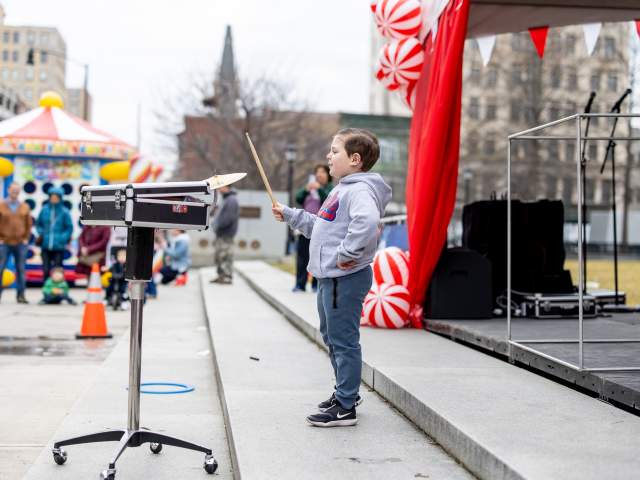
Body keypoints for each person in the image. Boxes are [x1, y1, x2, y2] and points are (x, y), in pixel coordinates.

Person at [272, 128, 391, 427]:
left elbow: (367, 222)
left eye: (334, 151)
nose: (328, 156)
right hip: (332, 278)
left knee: (344, 340)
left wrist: (346, 254)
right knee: (332, 337)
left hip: (344, 277)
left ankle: (345, 406)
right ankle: (345, 392)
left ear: (354, 159)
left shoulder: (359, 190)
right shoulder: (342, 189)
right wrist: (290, 214)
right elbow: (321, 226)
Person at [293, 165, 333, 293]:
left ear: (328, 175)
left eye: (322, 172)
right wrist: (306, 190)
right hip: (305, 227)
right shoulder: (310, 188)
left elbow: (329, 201)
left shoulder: (331, 189)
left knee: (318, 257)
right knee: (302, 257)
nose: (319, 175)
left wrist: (320, 189)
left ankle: (316, 285)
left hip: (322, 229)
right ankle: (300, 284)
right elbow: (298, 198)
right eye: (317, 172)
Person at [0, 182, 32, 304]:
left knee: (21, 269)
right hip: (4, 242)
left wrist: (26, 238)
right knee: (0, 268)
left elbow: (29, 224)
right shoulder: (1, 205)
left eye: (17, 191)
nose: (15, 192)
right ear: (8, 190)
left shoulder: (24, 206)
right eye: (13, 190)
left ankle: (21, 295)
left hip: (20, 243)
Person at [36, 186, 73, 281]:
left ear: (60, 198)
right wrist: (42, 233)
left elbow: (69, 227)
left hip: (59, 246)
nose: (54, 199)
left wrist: (62, 238)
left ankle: (58, 291)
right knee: (45, 269)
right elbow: (38, 223)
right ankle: (46, 291)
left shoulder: (65, 212)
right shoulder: (44, 210)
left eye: (56, 197)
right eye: (52, 197)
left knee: (58, 270)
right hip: (45, 245)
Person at [210, 185, 239, 285]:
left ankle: (227, 276)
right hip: (221, 233)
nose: (218, 189)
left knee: (226, 255)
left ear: (227, 187)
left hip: (226, 233)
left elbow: (228, 218)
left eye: (220, 187)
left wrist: (218, 226)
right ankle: (221, 276)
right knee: (219, 255)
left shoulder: (231, 200)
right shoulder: (226, 199)